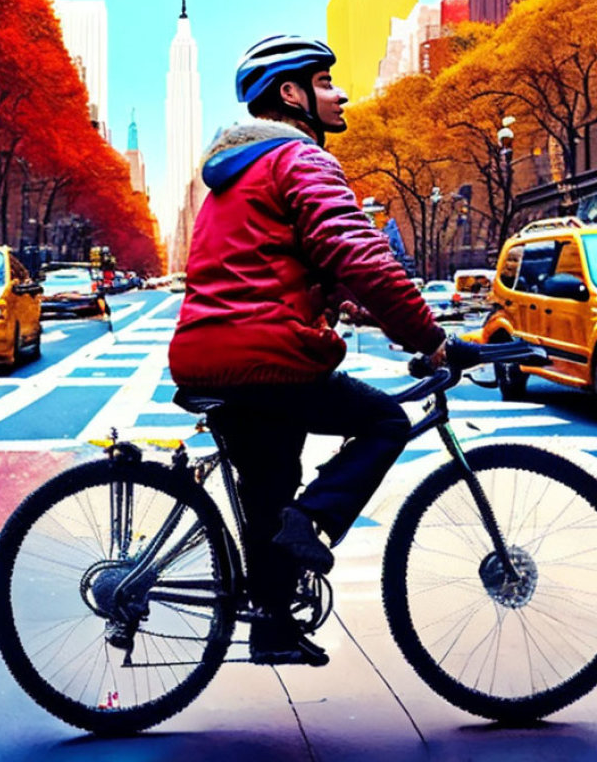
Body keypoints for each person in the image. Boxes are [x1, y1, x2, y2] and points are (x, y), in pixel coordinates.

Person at [168, 35, 446, 666]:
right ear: (291, 94)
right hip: (269, 356)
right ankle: (315, 521)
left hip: (209, 352)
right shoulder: (299, 158)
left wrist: (332, 301)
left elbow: (262, 267)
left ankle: (273, 626)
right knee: (384, 421)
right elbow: (360, 255)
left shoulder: (227, 177)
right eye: (325, 82)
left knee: (271, 487)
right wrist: (429, 338)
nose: (339, 92)